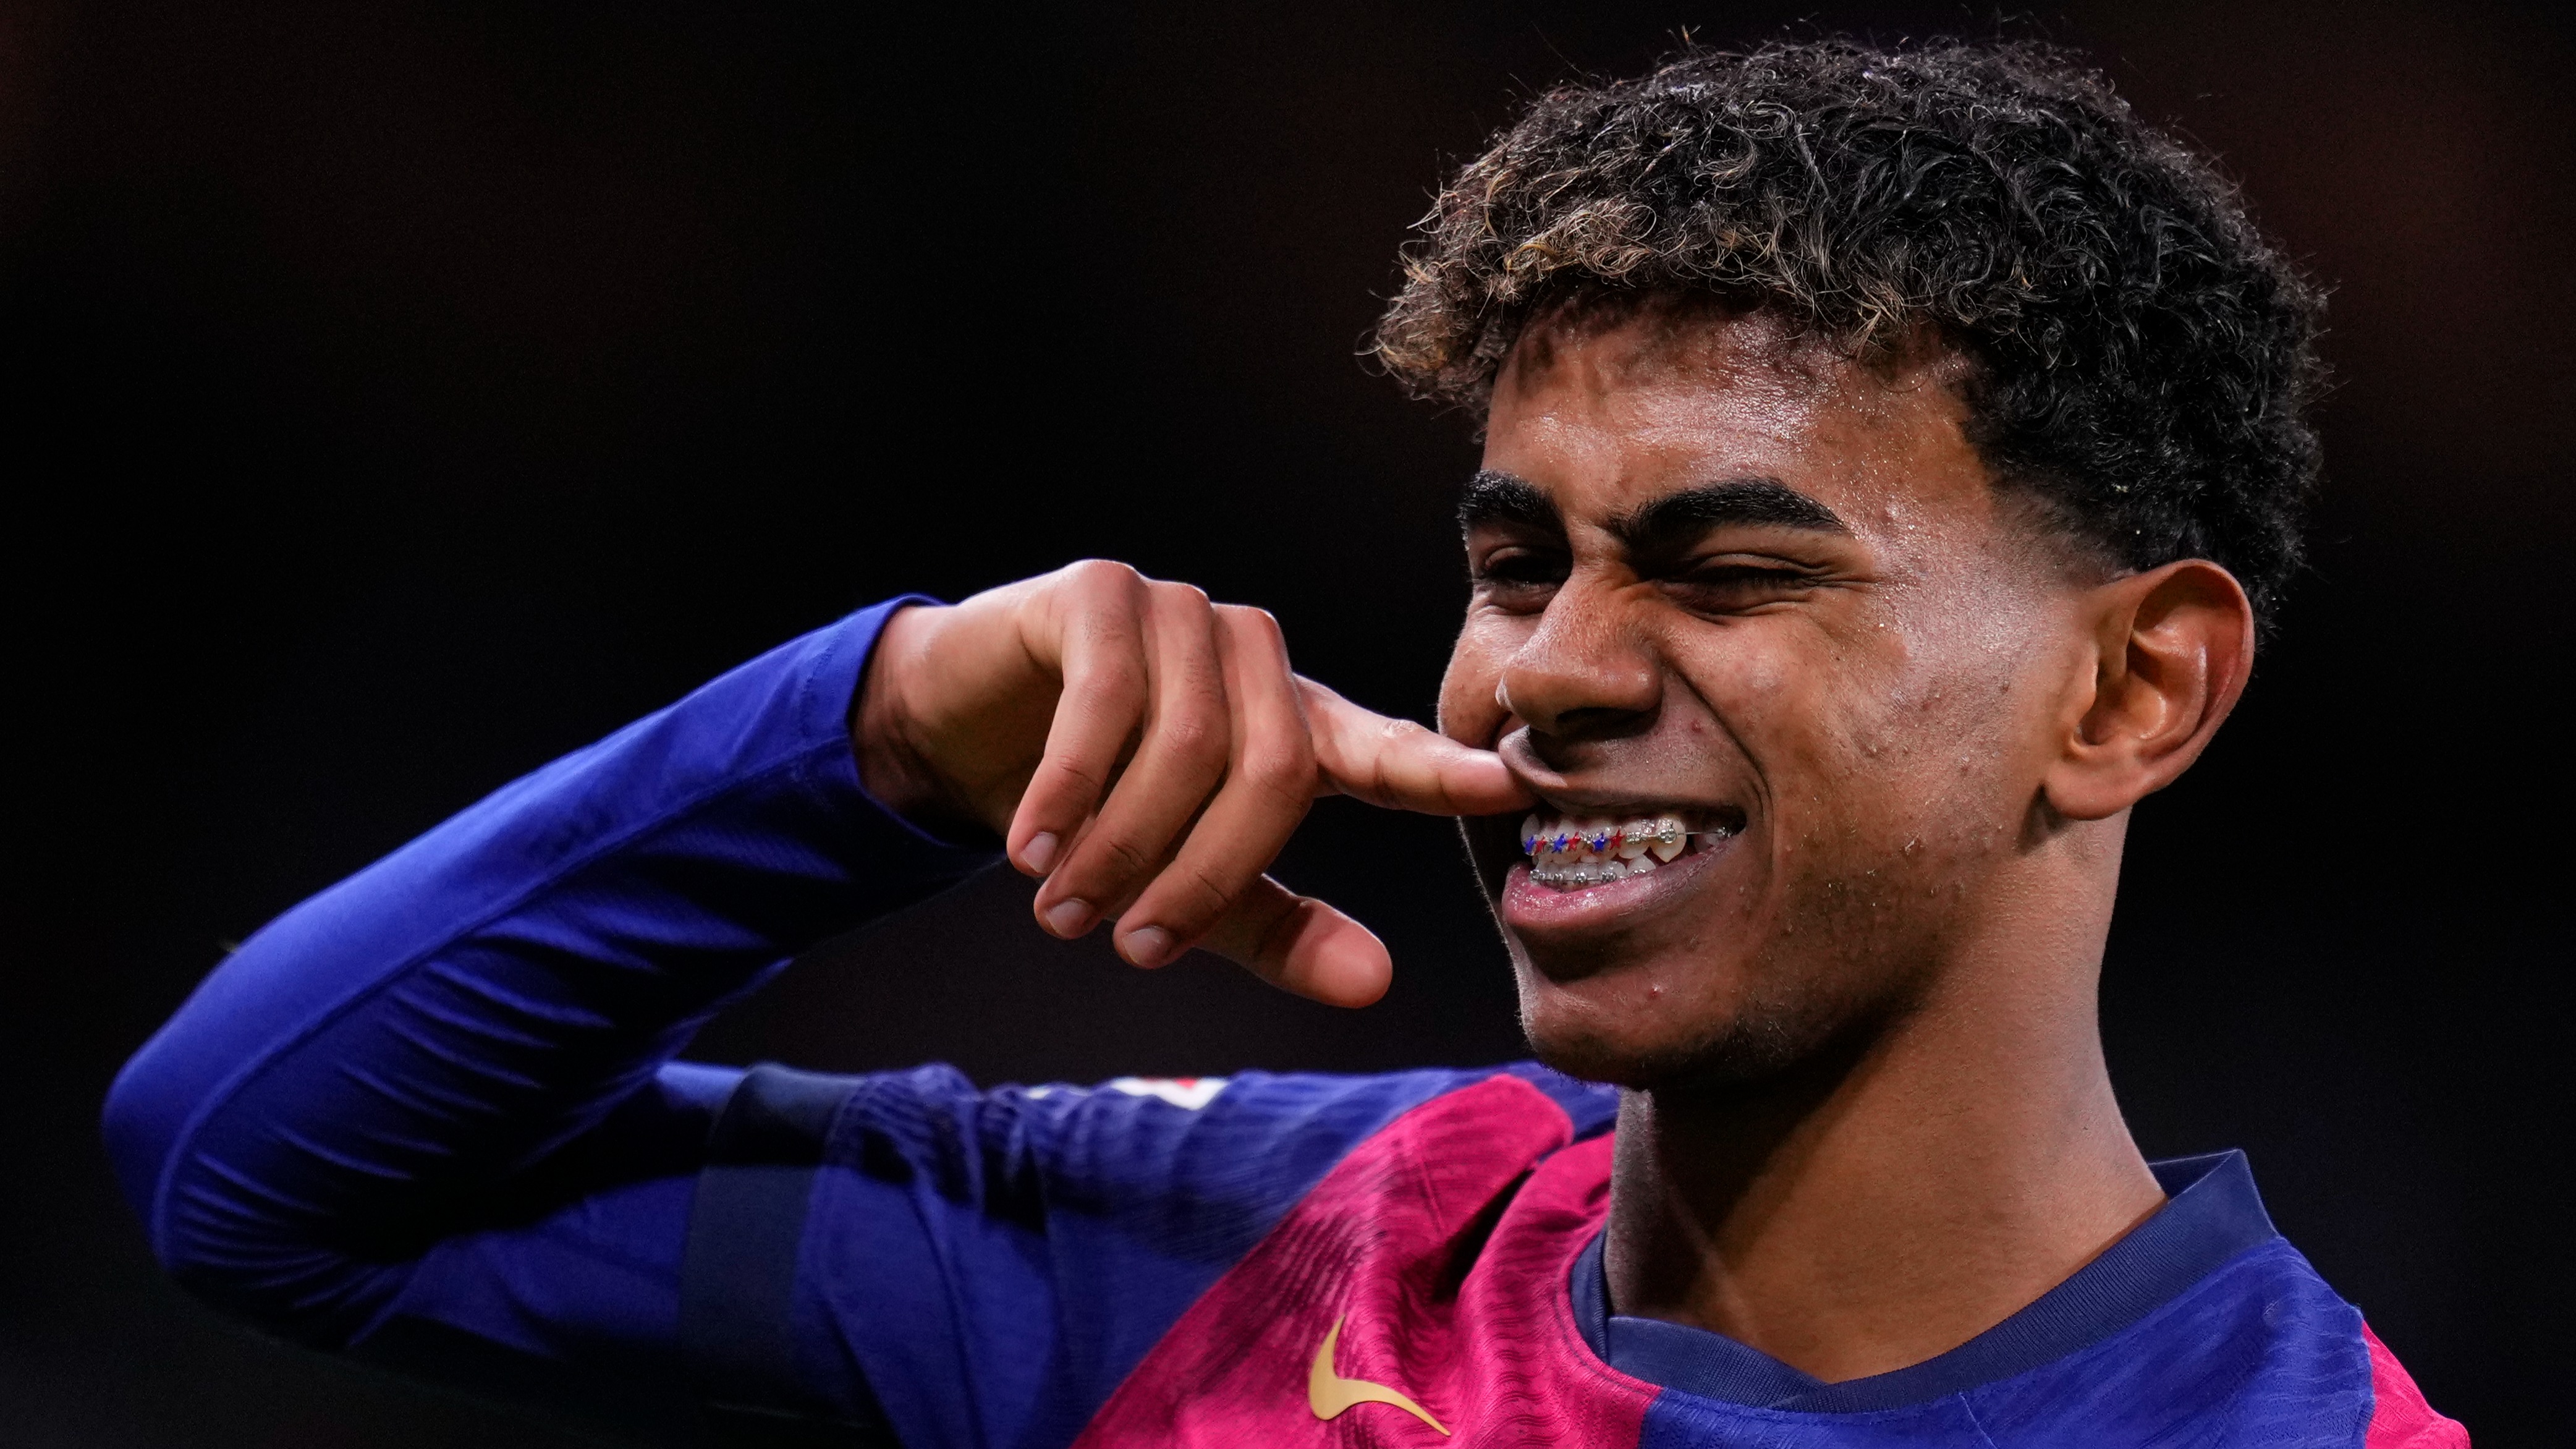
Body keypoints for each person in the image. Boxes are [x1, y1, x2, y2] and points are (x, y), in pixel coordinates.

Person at [103, 37, 2466, 1448]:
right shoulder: (1250, 1252)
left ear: (2131, 689)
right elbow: (256, 1173)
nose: (1543, 671)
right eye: (1517, 564)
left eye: (1736, 572)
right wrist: (869, 733)